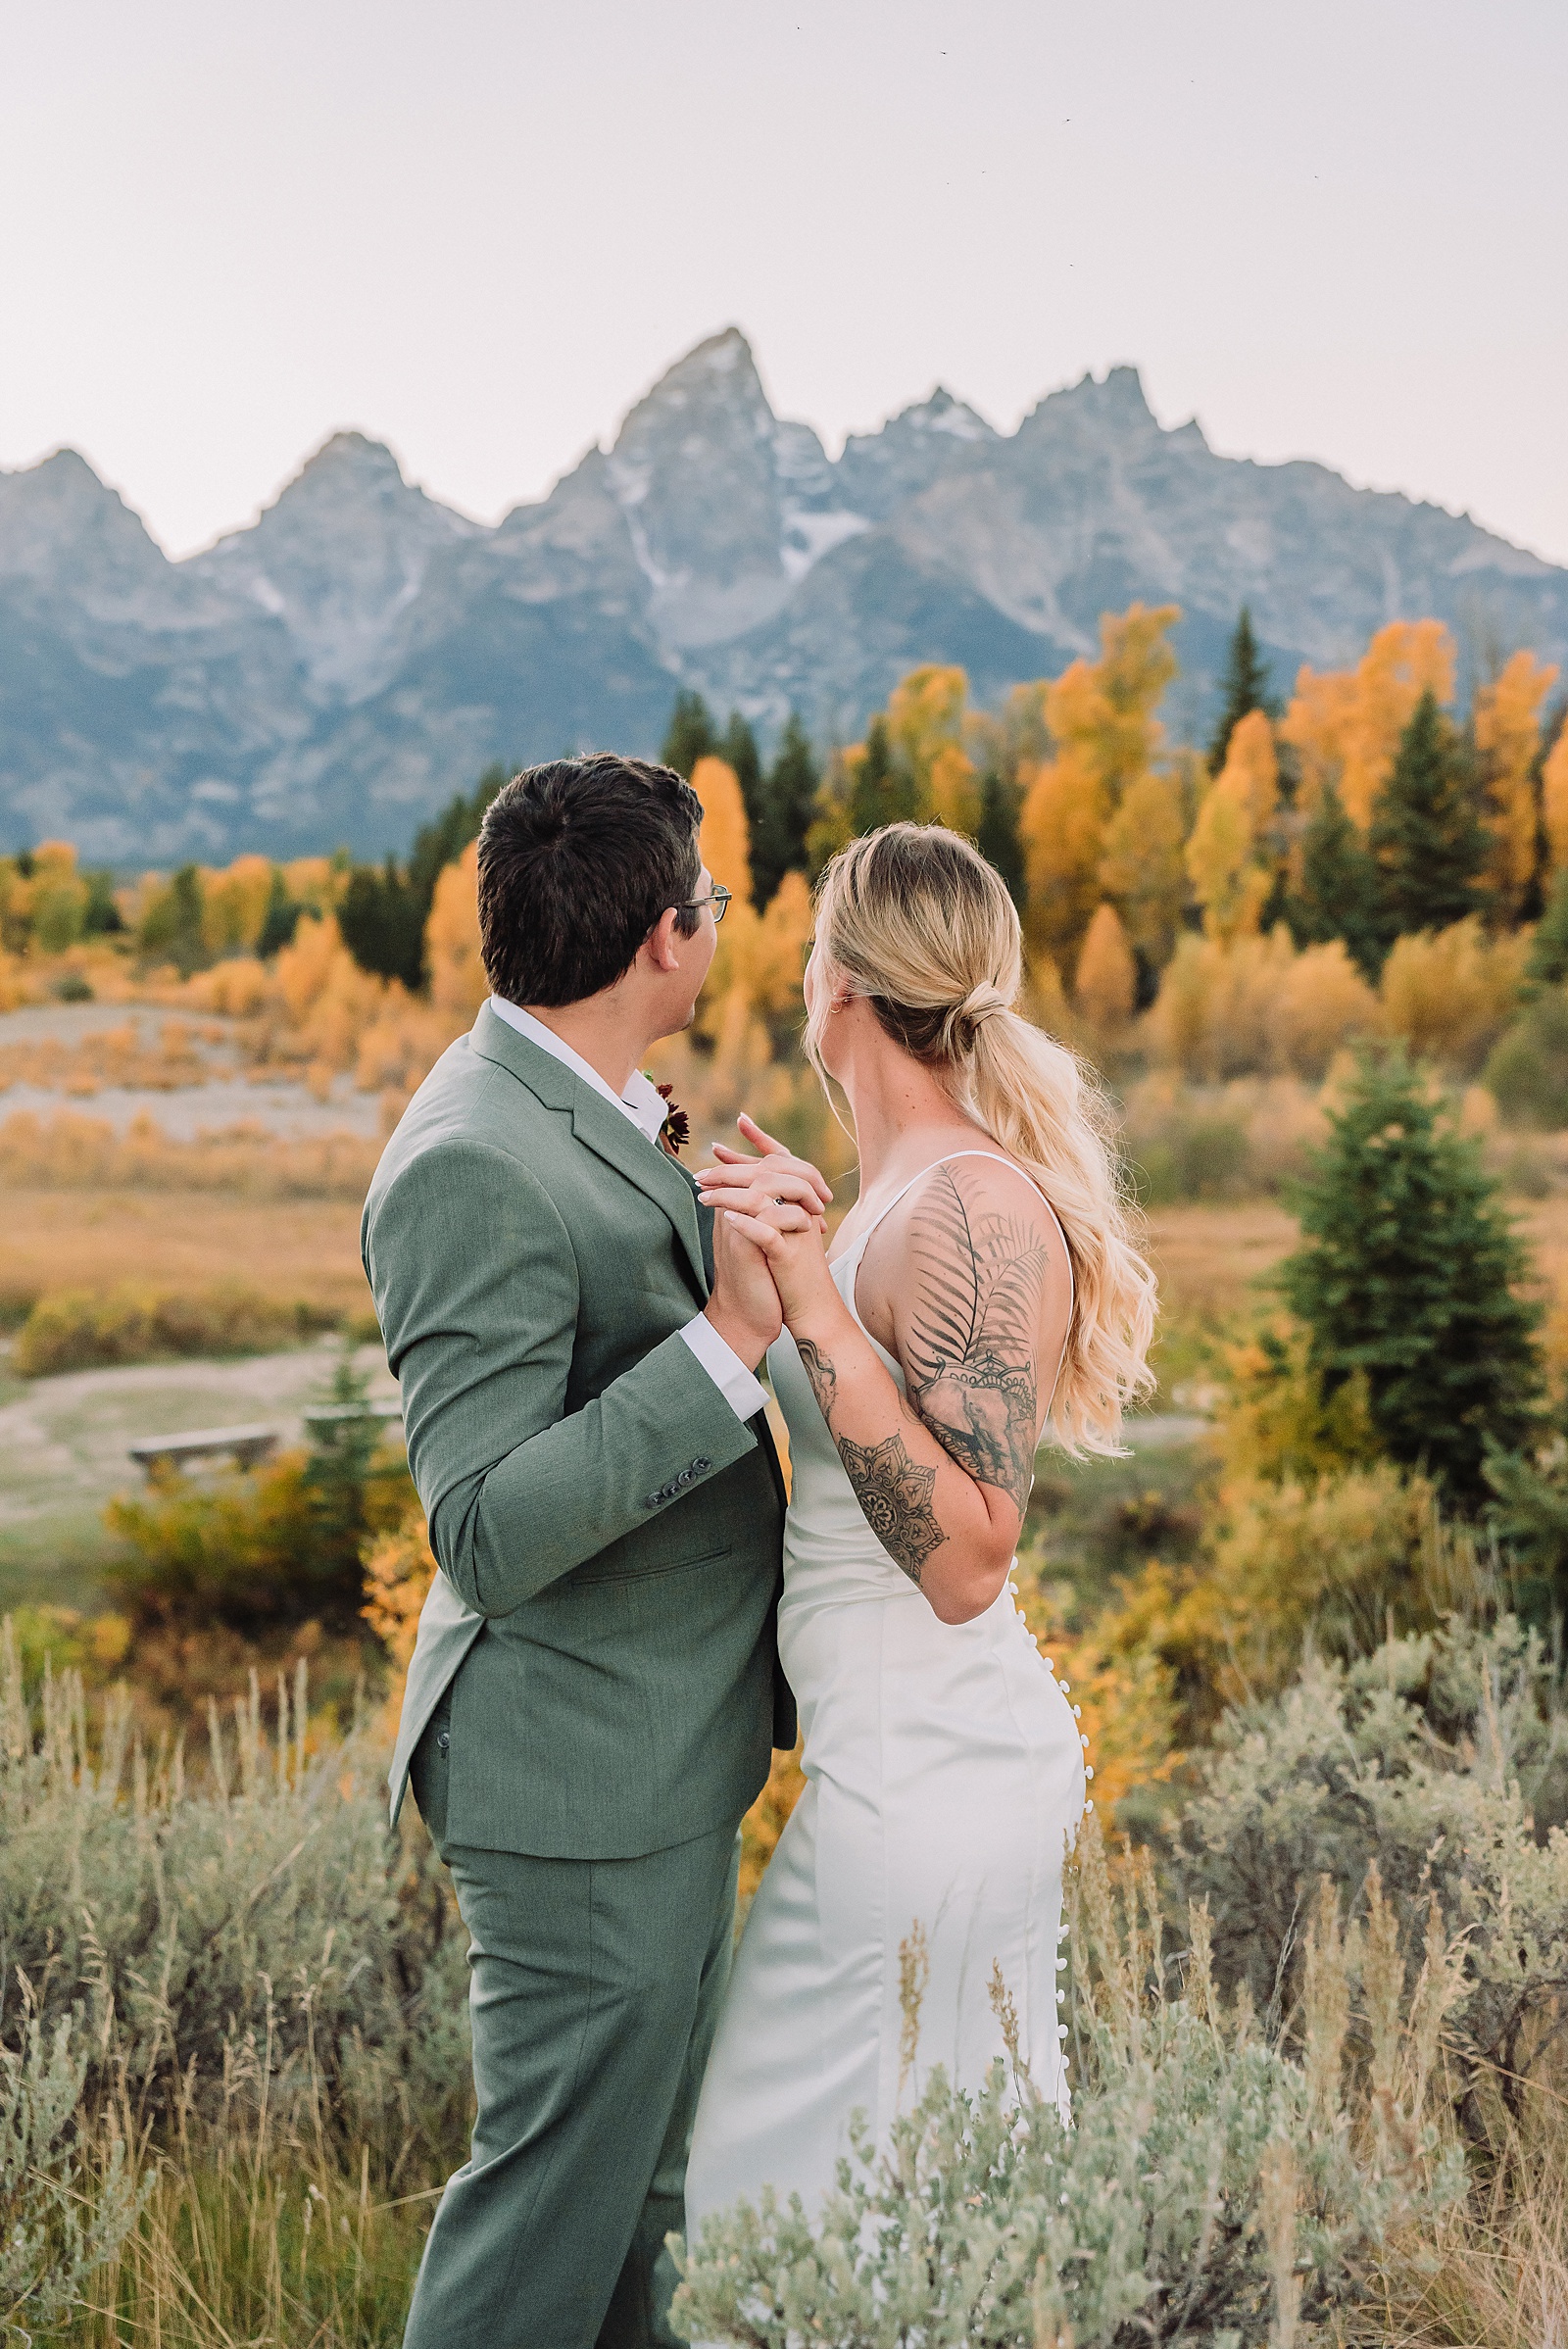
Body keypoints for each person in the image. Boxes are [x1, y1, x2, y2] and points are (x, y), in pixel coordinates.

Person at [362, 754, 821, 2349]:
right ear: (663, 939)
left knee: (642, 2205)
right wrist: (724, 1339)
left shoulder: (568, 1094)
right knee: (549, 2217)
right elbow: (483, 1527)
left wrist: (731, 1222)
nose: (711, 924)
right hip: (575, 1780)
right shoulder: (468, 1159)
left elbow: (593, 1282)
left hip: (651, 1746)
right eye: (708, 899)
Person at [684, 821, 1157, 2234]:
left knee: (834, 2211)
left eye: (813, 946)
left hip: (934, 1771)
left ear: (838, 981)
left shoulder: (972, 1207)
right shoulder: (891, 1192)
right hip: (881, 1758)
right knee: (829, 2203)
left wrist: (815, 1307)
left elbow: (968, 1554)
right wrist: (764, 1289)